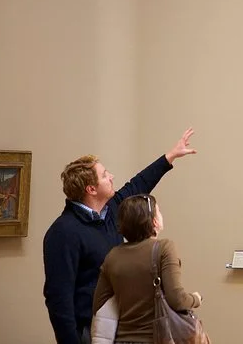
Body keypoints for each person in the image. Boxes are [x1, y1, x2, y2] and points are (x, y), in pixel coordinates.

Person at [43, 128, 197, 344]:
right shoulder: (63, 232)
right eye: (105, 175)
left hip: (118, 326)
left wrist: (170, 156)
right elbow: (59, 298)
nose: (111, 177)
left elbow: (138, 184)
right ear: (91, 189)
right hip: (88, 330)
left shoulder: (111, 209)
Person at [92, 194, 208, 344]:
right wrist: (196, 299)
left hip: (122, 339)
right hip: (157, 338)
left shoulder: (112, 256)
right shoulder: (164, 248)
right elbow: (177, 300)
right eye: (158, 211)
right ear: (154, 221)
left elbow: (99, 303)